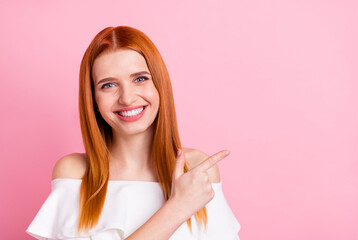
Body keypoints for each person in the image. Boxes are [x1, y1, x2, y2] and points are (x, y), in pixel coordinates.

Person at [26, 26, 240, 240]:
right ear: (94, 100)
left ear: (160, 85)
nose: (127, 98)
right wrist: (177, 208)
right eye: (108, 85)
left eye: (140, 79)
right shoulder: (76, 173)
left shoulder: (195, 169)